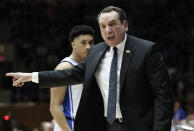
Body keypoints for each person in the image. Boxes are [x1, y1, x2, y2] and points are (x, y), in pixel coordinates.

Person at [6, 6, 174, 131]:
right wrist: (31, 76)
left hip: (140, 126)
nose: (107, 30)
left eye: (112, 24)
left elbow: (163, 96)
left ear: (125, 25)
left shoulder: (146, 50)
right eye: (102, 26)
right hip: (107, 126)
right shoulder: (96, 51)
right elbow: (70, 74)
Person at [50, 25, 94, 131]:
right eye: (83, 43)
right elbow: (54, 106)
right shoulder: (64, 68)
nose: (88, 46)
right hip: (69, 126)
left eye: (91, 42)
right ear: (73, 44)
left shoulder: (90, 66)